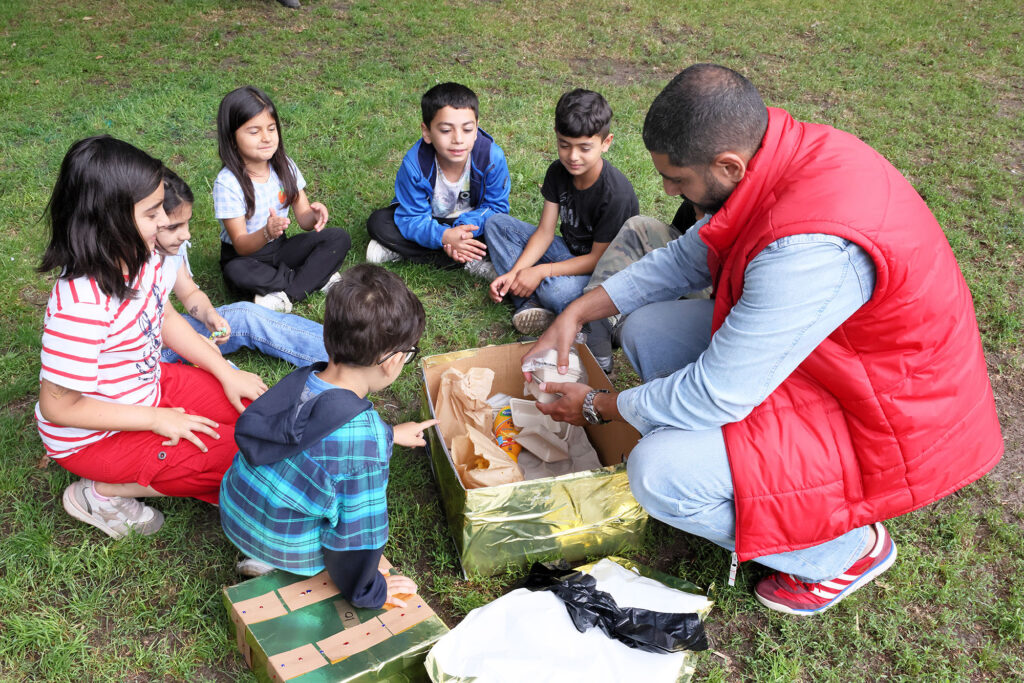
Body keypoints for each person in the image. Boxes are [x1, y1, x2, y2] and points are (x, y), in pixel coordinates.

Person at [524, 64, 1003, 616]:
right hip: (829, 358)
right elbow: (687, 256)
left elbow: (716, 393)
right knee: (650, 328)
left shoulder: (806, 251)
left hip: (880, 409)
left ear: (728, 165)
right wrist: (579, 310)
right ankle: (729, 458)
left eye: (677, 181)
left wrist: (596, 405)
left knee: (657, 472)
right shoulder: (773, 158)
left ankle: (843, 552)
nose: (668, 191)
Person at [35, 136, 268, 539]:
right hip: (96, 437)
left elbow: (165, 318)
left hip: (149, 386)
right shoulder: (81, 302)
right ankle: (103, 494)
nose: (163, 222)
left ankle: (189, 470)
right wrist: (156, 419)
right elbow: (60, 407)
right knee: (247, 461)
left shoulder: (141, 254)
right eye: (151, 212)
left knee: (260, 414)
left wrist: (223, 370)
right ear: (107, 219)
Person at [219, 264, 438, 608]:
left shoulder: (303, 381)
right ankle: (275, 564)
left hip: (235, 512)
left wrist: (389, 435)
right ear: (393, 361)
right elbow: (358, 537)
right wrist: (370, 590)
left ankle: (261, 552)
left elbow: (316, 434)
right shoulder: (363, 445)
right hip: (286, 547)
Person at [486, 89, 638, 369]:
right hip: (568, 255)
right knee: (496, 224)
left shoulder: (615, 194)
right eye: (564, 144)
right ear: (556, 134)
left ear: (606, 143)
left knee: (555, 290)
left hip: (601, 276)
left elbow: (597, 261)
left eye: (584, 147)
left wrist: (541, 270)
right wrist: (516, 272)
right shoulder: (558, 171)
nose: (573, 156)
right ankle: (528, 301)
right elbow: (545, 232)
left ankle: (552, 304)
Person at [158, 168, 328, 368]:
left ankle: (344, 352)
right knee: (227, 378)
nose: (186, 235)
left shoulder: (169, 249)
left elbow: (188, 292)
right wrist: (199, 348)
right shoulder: (129, 269)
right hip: (150, 355)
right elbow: (162, 324)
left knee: (247, 314)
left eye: (186, 224)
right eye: (173, 227)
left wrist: (208, 314)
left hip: (170, 333)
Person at [214, 86, 351, 313]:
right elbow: (240, 243)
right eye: (254, 131)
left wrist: (314, 215)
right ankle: (314, 278)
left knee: (338, 239)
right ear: (232, 137)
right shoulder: (227, 183)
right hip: (246, 257)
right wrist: (266, 232)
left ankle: (286, 294)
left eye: (271, 128)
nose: (266, 138)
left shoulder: (284, 165)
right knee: (235, 272)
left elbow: (304, 218)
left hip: (280, 248)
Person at [365, 82, 510, 278]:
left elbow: (496, 207)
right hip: (429, 219)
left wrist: (463, 231)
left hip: (472, 223)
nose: (458, 139)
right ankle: (471, 260)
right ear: (427, 132)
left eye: (467, 129)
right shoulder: (414, 164)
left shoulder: (492, 158)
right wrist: (444, 236)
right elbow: (412, 217)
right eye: (445, 130)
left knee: (504, 229)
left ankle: (404, 251)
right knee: (379, 222)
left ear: (476, 129)